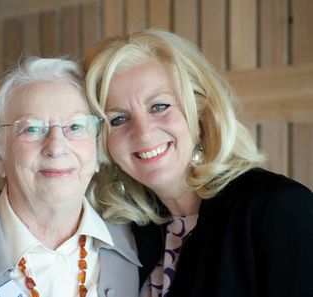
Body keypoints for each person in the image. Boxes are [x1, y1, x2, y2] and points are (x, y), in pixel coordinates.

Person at [84, 29, 313, 297]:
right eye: (118, 119)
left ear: (200, 108)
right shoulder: (131, 231)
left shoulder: (279, 209)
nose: (143, 133)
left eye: (159, 106)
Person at [0, 57, 140, 297]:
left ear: (97, 153)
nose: (56, 147)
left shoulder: (143, 245)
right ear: (0, 153)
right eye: (32, 129)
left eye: (75, 127)